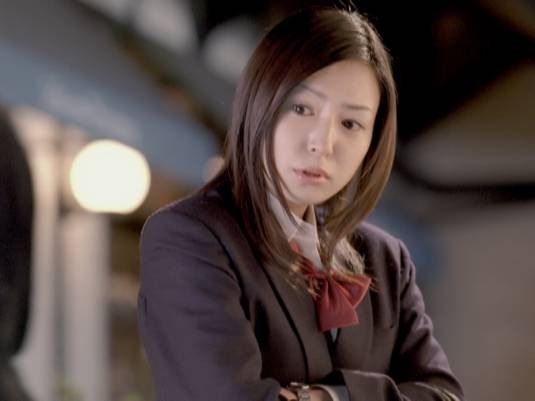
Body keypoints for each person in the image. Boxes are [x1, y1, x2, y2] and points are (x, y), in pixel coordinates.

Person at [138, 7, 464, 401]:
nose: (322, 144)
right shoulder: (189, 238)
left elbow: (445, 395)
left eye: (351, 124)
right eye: (302, 109)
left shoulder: (385, 260)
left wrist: (330, 396)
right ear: (260, 101)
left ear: (372, 141)